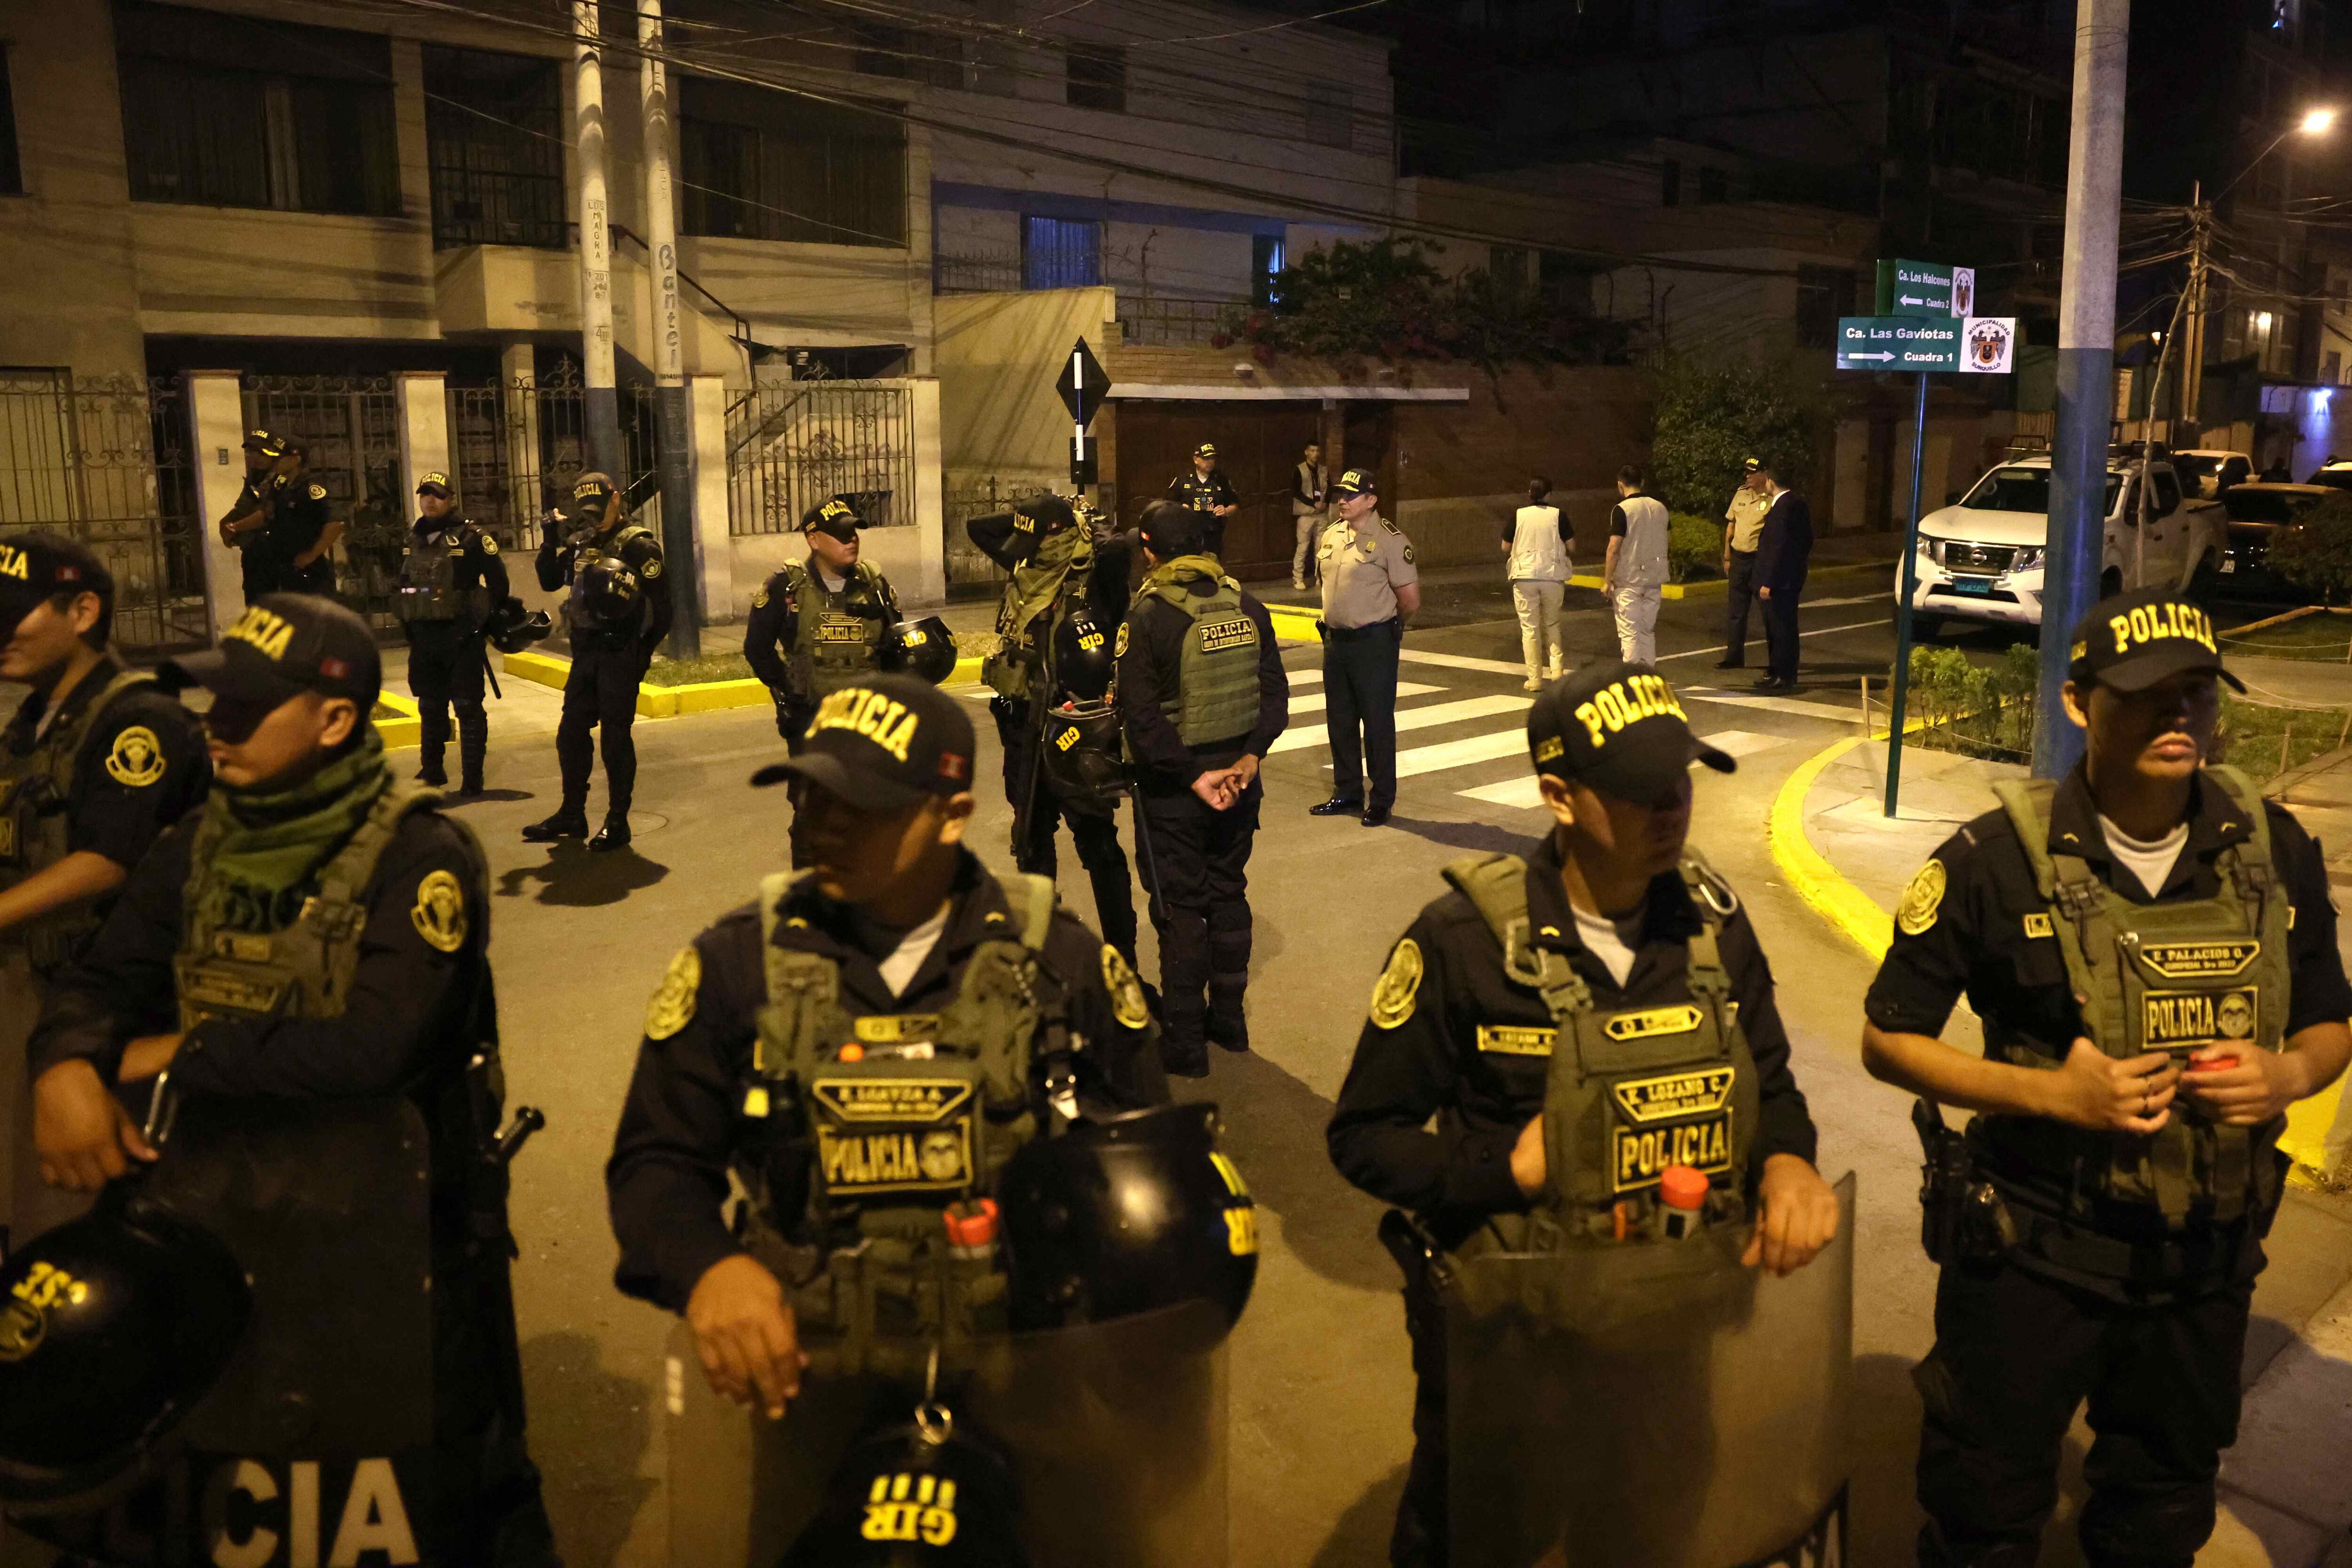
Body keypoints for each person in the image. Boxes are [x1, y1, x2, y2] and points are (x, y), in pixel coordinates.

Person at [27, 593, 557, 1563]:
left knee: (443, 1495)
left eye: (245, 710)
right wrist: (65, 1059)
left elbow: (372, 1047)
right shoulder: (196, 845)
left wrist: (179, 1052)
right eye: (213, 705)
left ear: (336, 720)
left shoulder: (418, 855)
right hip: (218, 1215)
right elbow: (103, 981)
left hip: (395, 1236)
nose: (214, 729)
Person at [1860, 587, 2352, 1568]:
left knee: (2162, 1503)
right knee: (1986, 1506)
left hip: (2200, 1263)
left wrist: (2289, 1071)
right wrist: (2049, 1094)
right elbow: (1889, 1036)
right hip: (2033, 1256)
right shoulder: (1993, 860)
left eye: (2199, 695)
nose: (2180, 718)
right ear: (2078, 702)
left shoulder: (2272, 847)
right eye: (2147, 695)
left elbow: (2328, 1017)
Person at [1327, 659, 1840, 1568]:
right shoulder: (1464, 941)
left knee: (1649, 1534)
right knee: (1477, 1539)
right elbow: (1365, 1137)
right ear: (1560, 796)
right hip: (1513, 1348)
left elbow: (1771, 1084)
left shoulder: (1714, 926)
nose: (1672, 808)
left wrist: (1788, 1160)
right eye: (1642, 791)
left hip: (1671, 1337)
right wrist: (1503, 1172)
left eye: (1679, 780)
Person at [604, 672, 1168, 1418]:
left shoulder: (1057, 965)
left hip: (1023, 1388)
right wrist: (710, 1268)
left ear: (952, 815)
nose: (822, 828)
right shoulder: (739, 965)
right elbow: (657, 1161)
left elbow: (1151, 1168)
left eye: (860, 806)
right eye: (811, 797)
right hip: (810, 1384)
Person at [0, 533, 207, 1250]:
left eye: (13, 616)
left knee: (71, 1213)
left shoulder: (138, 718)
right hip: (36, 980)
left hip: (93, 995)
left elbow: (107, 861)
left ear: (83, 611)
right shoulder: (35, 720)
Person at [1116, 503, 1287, 1078]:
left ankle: (1186, 1045)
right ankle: (1230, 1023)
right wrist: (1248, 759)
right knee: (1227, 893)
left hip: (1175, 791)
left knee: (1181, 909)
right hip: (1239, 783)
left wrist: (1193, 776)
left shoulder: (1148, 616)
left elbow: (1141, 719)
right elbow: (1274, 697)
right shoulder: (1247, 604)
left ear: (1150, 549)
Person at [969, 492, 1139, 970]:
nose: (1019, 548)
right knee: (1031, 840)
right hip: (1024, 725)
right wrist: (1034, 516)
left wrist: (1083, 519)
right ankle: (1044, 948)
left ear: (1058, 536)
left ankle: (1121, 956)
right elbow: (979, 528)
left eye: (1032, 537)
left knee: (1097, 845)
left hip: (1077, 728)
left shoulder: (1093, 571)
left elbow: (1121, 547)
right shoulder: (1026, 567)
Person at [526, 471, 670, 851]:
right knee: (571, 732)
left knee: (615, 738)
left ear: (617, 499)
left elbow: (665, 608)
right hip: (586, 650)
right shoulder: (582, 543)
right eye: (587, 511)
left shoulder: (639, 546)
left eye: (600, 509)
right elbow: (549, 580)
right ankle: (572, 813)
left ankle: (618, 819)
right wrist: (549, 540)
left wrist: (640, 655)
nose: (594, 518)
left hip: (620, 652)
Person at [743, 497, 903, 748]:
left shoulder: (875, 586)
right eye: (841, 534)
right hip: (811, 723)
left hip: (868, 723)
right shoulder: (786, 588)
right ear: (813, 539)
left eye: (853, 532)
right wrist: (792, 688)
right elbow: (757, 649)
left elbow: (897, 645)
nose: (852, 540)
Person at [1312, 467, 1419, 828]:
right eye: (1340, 494)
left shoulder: (1391, 540)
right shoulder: (1330, 536)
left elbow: (1410, 599)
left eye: (1351, 495)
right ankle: (1347, 791)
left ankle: (1382, 799)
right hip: (1336, 642)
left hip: (1373, 642)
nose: (1342, 500)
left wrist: (1388, 626)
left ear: (1371, 500)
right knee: (1340, 720)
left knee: (1376, 723)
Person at [396, 470, 509, 796]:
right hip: (424, 636)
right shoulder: (413, 538)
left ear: (452, 499)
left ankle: (473, 778)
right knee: (429, 705)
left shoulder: (473, 536)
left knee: (467, 706)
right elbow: (405, 585)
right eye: (425, 494)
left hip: (461, 636)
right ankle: (432, 770)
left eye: (438, 495)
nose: (430, 500)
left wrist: (482, 623)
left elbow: (498, 582)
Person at [217, 430, 340, 601]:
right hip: (287, 567)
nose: (275, 461)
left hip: (308, 569)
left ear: (295, 460)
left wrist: (311, 555)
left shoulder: (312, 488)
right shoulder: (280, 486)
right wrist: (235, 527)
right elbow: (267, 514)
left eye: (280, 457)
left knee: (312, 621)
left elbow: (334, 524)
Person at [1502, 475, 1571, 692]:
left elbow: (1505, 546)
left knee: (1529, 629)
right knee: (1552, 624)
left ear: (1530, 494)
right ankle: (1557, 672)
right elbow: (1572, 545)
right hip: (1552, 576)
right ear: (1549, 495)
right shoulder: (1559, 516)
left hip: (1524, 577)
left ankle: (1535, 679)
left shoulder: (1518, 515)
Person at [1752, 462, 1812, 692]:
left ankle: (1783, 675)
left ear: (1771, 482)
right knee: (1782, 627)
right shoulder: (1798, 503)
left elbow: (1776, 548)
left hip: (1779, 581)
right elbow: (1807, 540)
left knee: (1780, 629)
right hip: (1791, 578)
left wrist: (1768, 581)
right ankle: (1779, 671)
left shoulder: (1782, 507)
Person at [1602, 464, 1668, 665]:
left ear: (1620, 485)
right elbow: (1667, 539)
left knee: (1629, 633)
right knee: (1647, 631)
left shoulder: (1622, 510)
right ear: (1643, 483)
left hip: (1629, 580)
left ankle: (1631, 680)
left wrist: (1607, 580)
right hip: (1655, 579)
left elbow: (1614, 548)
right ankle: (1649, 676)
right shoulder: (1660, 507)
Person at [1718, 457, 1771, 671]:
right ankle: (1734, 657)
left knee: (1768, 613)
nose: (1748, 476)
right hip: (1739, 559)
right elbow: (1731, 526)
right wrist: (1727, 556)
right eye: (1746, 473)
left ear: (1764, 474)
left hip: (1759, 561)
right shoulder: (1741, 493)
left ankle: (1776, 662)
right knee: (1736, 611)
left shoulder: (1772, 498)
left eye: (1752, 473)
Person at [1166, 442, 1240, 561]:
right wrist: (1181, 509)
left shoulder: (1221, 479)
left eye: (1212, 458)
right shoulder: (1183, 479)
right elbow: (1167, 505)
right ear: (1196, 459)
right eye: (1206, 459)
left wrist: (1226, 510)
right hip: (1188, 536)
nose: (1211, 462)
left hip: (1213, 536)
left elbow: (1235, 504)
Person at [1291, 440, 1330, 592]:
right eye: (1312, 451)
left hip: (1322, 514)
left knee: (1321, 547)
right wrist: (1313, 503)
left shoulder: (1324, 470)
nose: (1315, 454)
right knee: (1303, 547)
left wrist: (1325, 503)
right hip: (1306, 514)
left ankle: (1320, 578)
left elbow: (1330, 488)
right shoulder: (1299, 470)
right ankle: (1298, 578)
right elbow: (1296, 492)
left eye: (1317, 451)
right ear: (1306, 452)